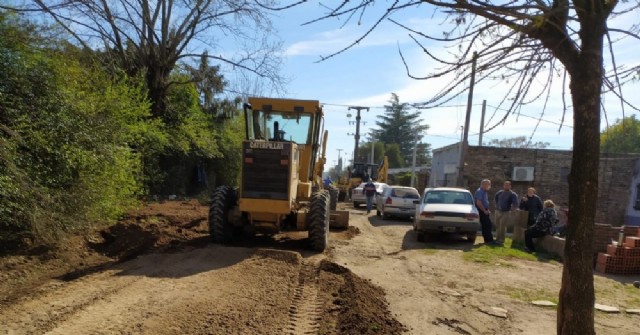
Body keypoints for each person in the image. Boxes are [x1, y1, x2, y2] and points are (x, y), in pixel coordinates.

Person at [475, 179, 499, 245]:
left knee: (488, 225)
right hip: (481, 210)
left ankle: (489, 240)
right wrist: (484, 210)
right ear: (484, 184)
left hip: (484, 210)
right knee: (486, 225)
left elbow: (484, 202)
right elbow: (478, 203)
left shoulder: (484, 191)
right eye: (488, 184)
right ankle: (489, 240)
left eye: (489, 184)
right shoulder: (480, 191)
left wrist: (487, 209)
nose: (489, 186)